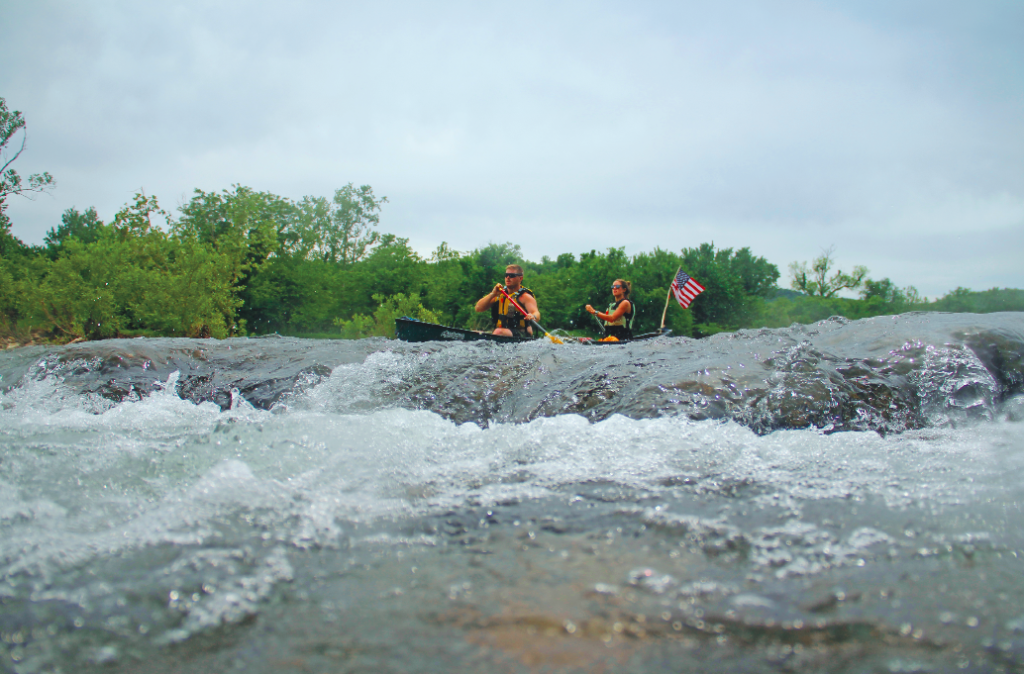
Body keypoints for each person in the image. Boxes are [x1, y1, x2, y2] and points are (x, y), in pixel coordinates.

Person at [475, 264, 540, 338]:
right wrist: (492, 294)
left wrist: (533, 316)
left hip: (522, 333)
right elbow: (478, 308)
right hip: (502, 332)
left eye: (512, 275)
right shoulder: (500, 294)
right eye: (506, 275)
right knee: (476, 333)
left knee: (498, 332)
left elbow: (536, 313)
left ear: (520, 278)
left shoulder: (525, 297)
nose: (508, 277)